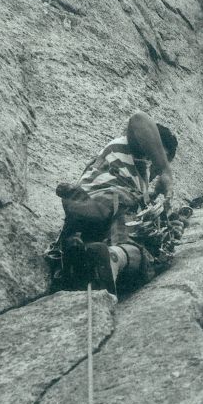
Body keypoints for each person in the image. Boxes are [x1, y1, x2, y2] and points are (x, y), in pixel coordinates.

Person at [47, 112, 179, 294]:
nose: (156, 167)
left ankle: (98, 259)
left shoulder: (138, 180)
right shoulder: (131, 149)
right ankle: (105, 251)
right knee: (134, 227)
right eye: (159, 157)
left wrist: (160, 209)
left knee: (140, 246)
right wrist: (166, 170)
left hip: (96, 223)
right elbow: (139, 119)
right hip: (106, 201)